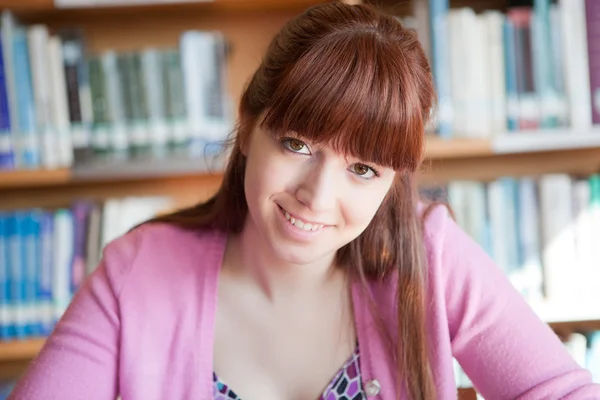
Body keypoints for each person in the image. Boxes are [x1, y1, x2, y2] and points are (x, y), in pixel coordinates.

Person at [9, 2, 600, 399]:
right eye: (297, 144)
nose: (317, 196)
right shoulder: (137, 271)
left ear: (393, 180)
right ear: (249, 124)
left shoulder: (430, 254)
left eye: (363, 168)